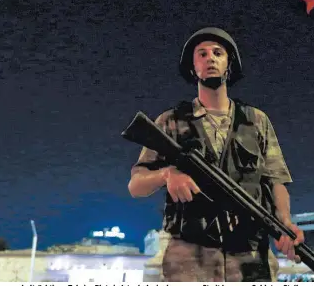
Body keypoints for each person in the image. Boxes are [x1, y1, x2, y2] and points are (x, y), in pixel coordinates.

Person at [128, 27, 304, 281]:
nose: (210, 58)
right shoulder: (172, 122)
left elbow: (275, 181)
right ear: (193, 67)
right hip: (190, 259)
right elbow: (136, 186)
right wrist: (167, 174)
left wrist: (284, 222)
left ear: (228, 64)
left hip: (251, 256)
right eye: (202, 54)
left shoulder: (256, 121)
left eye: (218, 53)